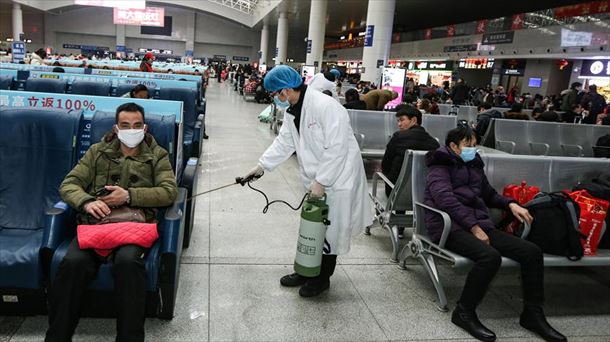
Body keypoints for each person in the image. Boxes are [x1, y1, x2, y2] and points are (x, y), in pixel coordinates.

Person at [45, 103, 178, 342]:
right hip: (98, 223)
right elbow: (69, 184)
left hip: (134, 226)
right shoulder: (98, 151)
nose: (131, 130)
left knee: (128, 264)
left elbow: (169, 191)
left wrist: (130, 195)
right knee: (73, 264)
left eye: (137, 125)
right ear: (116, 129)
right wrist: (86, 202)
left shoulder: (157, 155)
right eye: (125, 125)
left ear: (145, 128)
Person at [424, 126, 566, 342]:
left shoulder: (473, 165)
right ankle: (463, 311)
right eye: (468, 146)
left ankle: (532, 314)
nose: (473, 150)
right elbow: (446, 201)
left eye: (475, 145)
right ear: (453, 147)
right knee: (489, 257)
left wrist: (512, 205)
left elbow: (488, 194)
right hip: (448, 227)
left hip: (478, 224)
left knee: (532, 252)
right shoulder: (439, 166)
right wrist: (474, 227)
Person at [241, 65, 372, 297]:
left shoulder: (326, 107)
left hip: (339, 178)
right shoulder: (293, 110)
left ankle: (322, 279)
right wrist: (262, 166)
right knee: (312, 227)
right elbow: (285, 143)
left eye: (275, 93)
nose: (274, 98)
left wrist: (322, 181)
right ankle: (305, 270)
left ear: (287, 90)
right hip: (319, 180)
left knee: (329, 232)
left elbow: (337, 147)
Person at [381, 106, 439, 238]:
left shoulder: (398, 137)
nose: (399, 124)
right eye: (398, 121)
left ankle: (398, 226)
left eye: (402, 120)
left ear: (414, 120)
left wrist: (386, 176)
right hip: (423, 195)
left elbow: (386, 163)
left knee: (397, 179)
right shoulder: (433, 143)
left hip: (396, 193)